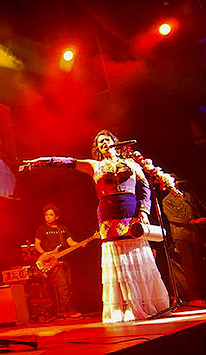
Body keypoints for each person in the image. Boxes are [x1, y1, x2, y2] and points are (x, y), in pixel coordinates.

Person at [22, 129, 169, 323]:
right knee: (117, 260)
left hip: (132, 215)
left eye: (106, 140)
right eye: (100, 142)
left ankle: (143, 302)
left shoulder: (132, 164)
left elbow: (144, 190)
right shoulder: (95, 166)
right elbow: (68, 162)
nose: (104, 143)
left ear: (115, 142)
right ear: (97, 149)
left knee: (135, 256)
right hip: (108, 218)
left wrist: (143, 211)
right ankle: (124, 306)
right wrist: (42, 160)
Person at [162, 180, 206, 304]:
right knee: (189, 267)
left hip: (195, 235)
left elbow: (195, 211)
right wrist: (193, 222)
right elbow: (173, 218)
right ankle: (194, 297)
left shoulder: (188, 196)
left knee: (199, 266)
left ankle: (202, 294)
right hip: (181, 236)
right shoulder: (167, 200)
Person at [34, 204, 82, 318]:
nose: (48, 217)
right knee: (62, 285)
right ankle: (66, 310)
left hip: (64, 260)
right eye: (46, 215)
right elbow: (37, 244)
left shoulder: (63, 229)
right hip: (52, 261)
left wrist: (80, 244)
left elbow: (70, 242)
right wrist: (44, 253)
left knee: (68, 285)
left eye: (51, 215)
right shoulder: (42, 229)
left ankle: (65, 308)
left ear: (57, 217)